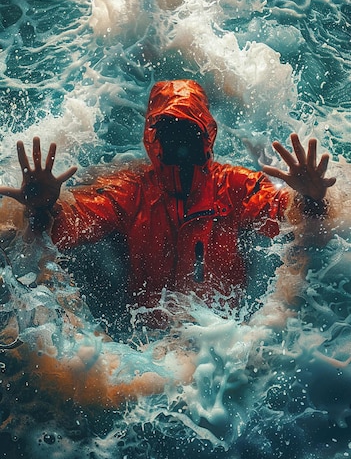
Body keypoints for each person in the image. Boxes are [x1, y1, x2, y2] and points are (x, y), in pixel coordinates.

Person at [0, 79, 336, 310]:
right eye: (169, 131)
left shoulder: (234, 185)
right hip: (149, 348)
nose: (179, 141)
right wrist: (43, 210)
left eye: (188, 131)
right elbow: (70, 226)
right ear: (154, 138)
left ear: (205, 134)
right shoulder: (132, 191)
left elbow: (296, 225)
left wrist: (311, 200)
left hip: (225, 341)